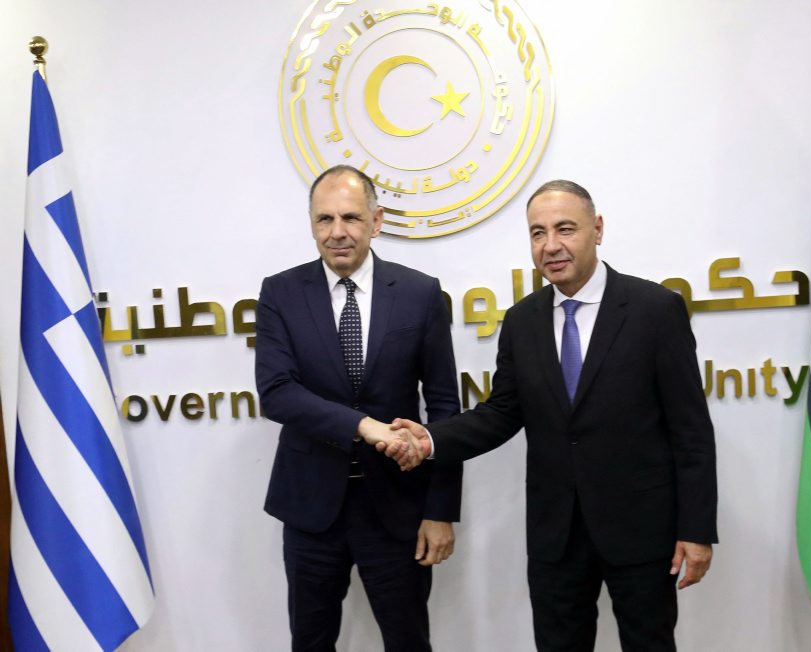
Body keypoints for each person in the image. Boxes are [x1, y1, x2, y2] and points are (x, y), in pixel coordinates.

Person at [382, 180, 718, 651]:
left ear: (597, 229)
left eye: (565, 229)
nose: (551, 245)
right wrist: (430, 439)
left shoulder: (655, 310)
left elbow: (691, 430)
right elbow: (501, 413)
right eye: (538, 233)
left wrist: (696, 530)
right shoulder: (522, 321)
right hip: (555, 534)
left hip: (641, 530)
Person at [255, 165, 462, 651]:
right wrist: (363, 425)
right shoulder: (281, 293)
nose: (337, 232)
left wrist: (440, 510)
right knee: (311, 642)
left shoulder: (419, 293)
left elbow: (444, 407)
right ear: (311, 224)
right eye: (324, 219)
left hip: (397, 508)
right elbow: (277, 392)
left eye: (350, 217)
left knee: (409, 642)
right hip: (311, 508)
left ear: (377, 221)